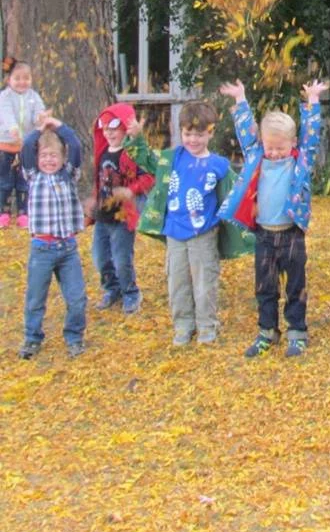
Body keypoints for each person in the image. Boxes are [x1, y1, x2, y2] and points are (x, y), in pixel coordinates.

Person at [218, 78, 329, 359]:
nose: (275, 152)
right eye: (270, 146)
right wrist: (240, 98)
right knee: (265, 286)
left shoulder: (300, 159)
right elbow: (245, 132)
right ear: (262, 142)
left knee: (295, 285)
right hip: (264, 234)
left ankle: (297, 331)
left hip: (291, 233)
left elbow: (313, 134)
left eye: (281, 147)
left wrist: (313, 101)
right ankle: (267, 331)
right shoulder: (257, 156)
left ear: (293, 142)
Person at [128, 102, 235, 346]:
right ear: (181, 132)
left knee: (204, 282)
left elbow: (235, 194)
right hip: (175, 232)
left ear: (211, 132)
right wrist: (136, 138)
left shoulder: (219, 165)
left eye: (199, 134)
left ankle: (207, 326)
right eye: (188, 134)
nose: (193, 140)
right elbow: (146, 160)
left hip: (204, 233)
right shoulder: (172, 159)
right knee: (177, 282)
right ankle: (183, 326)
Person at [18, 115, 87, 359]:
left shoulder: (68, 175)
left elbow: (76, 146)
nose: (49, 160)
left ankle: (74, 338)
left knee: (77, 298)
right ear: (37, 159)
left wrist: (59, 125)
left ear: (62, 158)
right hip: (41, 248)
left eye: (54, 156)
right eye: (44, 156)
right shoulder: (32, 176)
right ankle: (32, 338)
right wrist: (39, 130)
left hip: (67, 248)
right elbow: (26, 147)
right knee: (36, 298)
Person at [87, 102, 155, 314]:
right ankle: (112, 289)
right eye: (105, 128)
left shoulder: (131, 152)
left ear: (125, 127)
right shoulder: (103, 152)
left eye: (113, 128)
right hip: (103, 216)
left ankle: (130, 293)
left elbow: (149, 177)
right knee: (100, 258)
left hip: (123, 217)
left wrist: (131, 191)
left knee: (121, 259)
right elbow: (100, 182)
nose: (108, 133)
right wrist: (92, 203)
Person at [0, 58, 46, 229]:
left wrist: (40, 119)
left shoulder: (34, 97)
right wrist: (12, 127)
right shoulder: (4, 97)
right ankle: (3, 212)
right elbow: (5, 114)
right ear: (9, 79)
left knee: (24, 181)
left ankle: (23, 212)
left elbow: (38, 114)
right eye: (17, 78)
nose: (22, 82)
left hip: (26, 146)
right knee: (4, 180)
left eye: (26, 78)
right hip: (5, 145)